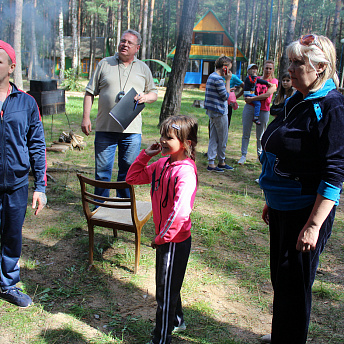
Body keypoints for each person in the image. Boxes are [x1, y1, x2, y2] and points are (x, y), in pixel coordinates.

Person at [259, 34, 344, 344]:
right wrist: (272, 197)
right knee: (282, 281)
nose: (289, 69)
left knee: (295, 285)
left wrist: (312, 226)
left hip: (305, 211)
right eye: (290, 62)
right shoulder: (297, 98)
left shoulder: (332, 106)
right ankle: (284, 334)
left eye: (297, 63)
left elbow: (335, 174)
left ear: (320, 68)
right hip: (282, 206)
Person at [126, 115, 198, 344]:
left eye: (169, 137)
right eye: (163, 136)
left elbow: (180, 212)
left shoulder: (185, 172)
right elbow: (133, 177)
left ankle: (160, 338)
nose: (163, 141)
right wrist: (146, 155)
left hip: (174, 240)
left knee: (164, 292)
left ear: (186, 143)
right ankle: (177, 320)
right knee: (168, 284)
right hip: (165, 237)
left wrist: (162, 238)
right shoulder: (162, 164)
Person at [81, 29, 158, 198]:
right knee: (102, 172)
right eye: (123, 41)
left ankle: (124, 205)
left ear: (137, 48)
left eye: (130, 43)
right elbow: (89, 92)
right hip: (105, 129)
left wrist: (145, 97)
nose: (125, 44)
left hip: (131, 131)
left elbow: (154, 93)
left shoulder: (143, 68)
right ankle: (100, 205)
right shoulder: (105, 64)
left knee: (128, 172)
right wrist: (86, 118)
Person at [0, 41, 47, 308]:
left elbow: (37, 145)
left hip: (17, 184)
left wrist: (39, 186)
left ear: (11, 67)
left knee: (12, 235)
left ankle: (8, 284)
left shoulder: (27, 103)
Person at [238, 60, 278, 165]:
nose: (268, 70)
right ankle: (243, 155)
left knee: (261, 135)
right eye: (266, 68)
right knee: (246, 132)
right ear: (263, 68)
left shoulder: (274, 82)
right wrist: (238, 96)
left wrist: (252, 98)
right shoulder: (256, 78)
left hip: (264, 109)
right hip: (249, 108)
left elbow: (267, 94)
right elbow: (246, 87)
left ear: (273, 70)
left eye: (270, 68)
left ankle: (259, 156)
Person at [204, 55, 234, 172]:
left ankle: (211, 163)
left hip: (212, 111)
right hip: (219, 112)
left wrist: (226, 86)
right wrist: (228, 80)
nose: (230, 71)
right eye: (229, 69)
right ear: (224, 68)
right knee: (222, 138)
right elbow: (225, 96)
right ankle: (221, 161)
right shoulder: (219, 79)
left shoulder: (212, 76)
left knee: (214, 137)